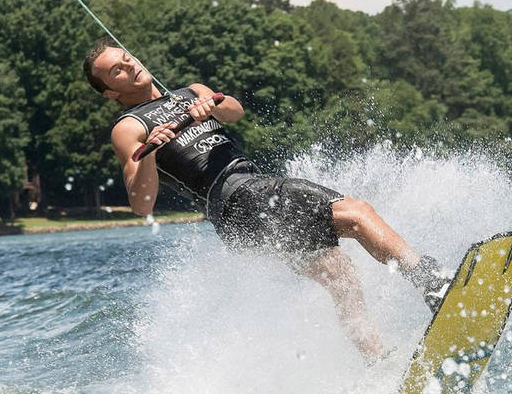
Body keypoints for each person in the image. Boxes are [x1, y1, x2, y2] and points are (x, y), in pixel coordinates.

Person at [82, 37, 450, 360]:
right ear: (110, 93)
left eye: (126, 58)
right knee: (356, 213)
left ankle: (376, 358)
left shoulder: (191, 92)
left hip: (245, 214)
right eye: (117, 70)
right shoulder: (128, 127)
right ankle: (431, 282)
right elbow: (142, 203)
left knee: (340, 274)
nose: (129, 65)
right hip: (239, 196)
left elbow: (235, 111)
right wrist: (149, 152)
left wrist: (210, 105)